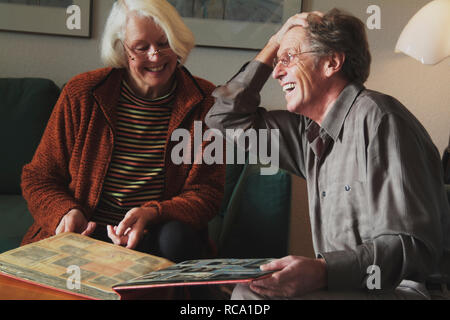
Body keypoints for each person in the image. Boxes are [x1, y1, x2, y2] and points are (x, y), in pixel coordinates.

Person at [205, 9, 450, 299]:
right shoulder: (306, 133)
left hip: (402, 288)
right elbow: (223, 119)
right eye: (277, 61)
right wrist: (273, 44)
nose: (276, 72)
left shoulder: (381, 119)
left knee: (251, 298)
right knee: (248, 293)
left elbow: (414, 248)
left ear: (331, 62)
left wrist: (323, 271)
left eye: (288, 58)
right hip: (348, 286)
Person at [21, 0, 225, 263]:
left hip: (157, 235)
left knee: (177, 238)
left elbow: (207, 193)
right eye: (141, 47)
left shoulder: (207, 101)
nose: (155, 55)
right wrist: (66, 212)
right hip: (88, 232)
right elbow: (38, 176)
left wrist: (152, 212)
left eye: (164, 43)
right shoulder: (82, 93)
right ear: (121, 48)